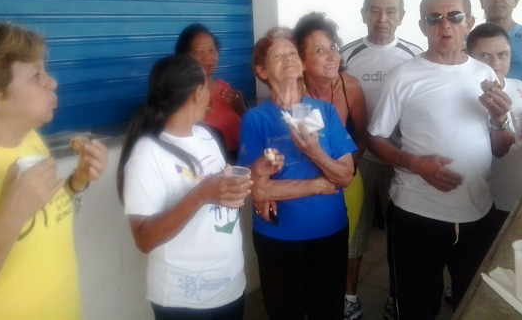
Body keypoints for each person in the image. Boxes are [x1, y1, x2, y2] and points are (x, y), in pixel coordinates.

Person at [367, 0, 515, 319]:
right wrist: (414, 163)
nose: (444, 25)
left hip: (478, 212)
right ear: (423, 26)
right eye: (434, 18)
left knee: (474, 302)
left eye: (454, 16)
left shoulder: (484, 75)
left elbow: (501, 148)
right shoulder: (402, 77)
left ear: (469, 23)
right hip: (417, 215)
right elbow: (375, 138)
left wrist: (499, 120)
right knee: (416, 308)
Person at [117, 54, 252, 320]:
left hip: (230, 285)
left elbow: (221, 194)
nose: (212, 92)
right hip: (184, 298)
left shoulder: (206, 137)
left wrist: (256, 172)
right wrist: (201, 194)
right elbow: (144, 239)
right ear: (197, 93)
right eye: (208, 86)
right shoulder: (147, 153)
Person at [238, 27, 357, 320]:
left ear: (302, 64)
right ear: (262, 70)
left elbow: (345, 176)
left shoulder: (325, 112)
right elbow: (258, 189)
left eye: (292, 53)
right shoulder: (256, 119)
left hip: (330, 233)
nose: (289, 58)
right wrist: (318, 185)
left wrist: (315, 152)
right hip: (278, 238)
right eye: (278, 56)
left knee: (327, 313)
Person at [0, 21, 108, 319]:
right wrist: (9, 217)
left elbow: (44, 216)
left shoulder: (30, 139)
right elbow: (20, 215)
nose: (53, 82)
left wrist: (77, 182)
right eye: (36, 75)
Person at [339, 0, 422, 320]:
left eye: (390, 11)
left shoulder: (415, 55)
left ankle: (395, 297)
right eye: (375, 10)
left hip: (400, 158)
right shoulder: (346, 55)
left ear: (401, 16)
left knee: (401, 236)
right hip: (358, 156)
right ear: (363, 14)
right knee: (353, 233)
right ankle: (349, 298)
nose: (382, 18)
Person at [293, 11, 368, 244]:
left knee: (346, 249)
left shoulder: (350, 87)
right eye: (320, 51)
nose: (332, 56)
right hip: (307, 187)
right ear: (301, 61)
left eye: (333, 47)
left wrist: (346, 171)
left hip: (347, 180)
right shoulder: (294, 93)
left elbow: (362, 135)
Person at [466, 23, 522, 230]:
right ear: (469, 57)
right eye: (485, 56)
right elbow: (496, 150)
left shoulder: (519, 85)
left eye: (502, 55)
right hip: (503, 202)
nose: (496, 63)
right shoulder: (465, 97)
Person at [175, 23, 247, 163]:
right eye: (198, 52)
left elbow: (249, 122)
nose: (208, 58)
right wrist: (196, 114)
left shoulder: (224, 86)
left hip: (242, 157)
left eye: (212, 50)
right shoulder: (181, 94)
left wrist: (240, 106)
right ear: (184, 57)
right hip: (211, 164)